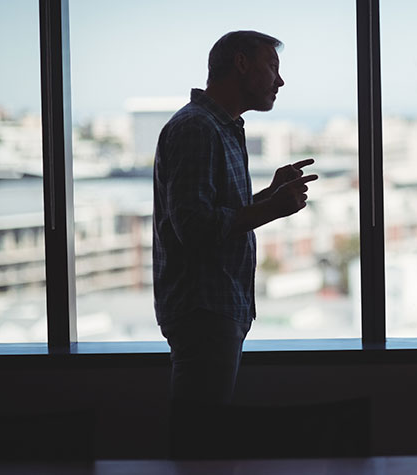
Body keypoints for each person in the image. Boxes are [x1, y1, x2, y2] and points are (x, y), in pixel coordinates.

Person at [153, 30, 316, 454]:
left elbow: (216, 213)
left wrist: (268, 195)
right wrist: (273, 208)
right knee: (200, 441)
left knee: (203, 434)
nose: (279, 82)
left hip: (214, 307)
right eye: (273, 67)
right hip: (203, 308)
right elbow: (193, 227)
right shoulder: (197, 128)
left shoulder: (218, 127)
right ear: (241, 64)